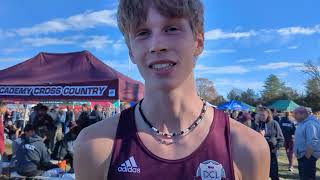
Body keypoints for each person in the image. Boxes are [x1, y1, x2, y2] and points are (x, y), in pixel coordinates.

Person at [74, 1, 270, 180]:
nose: (157, 45)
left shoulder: (247, 148)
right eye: (142, 33)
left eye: (172, 28)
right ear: (131, 51)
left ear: (198, 42)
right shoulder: (94, 144)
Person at [257, 107, 284, 180]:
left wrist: (276, 148)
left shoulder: (274, 123)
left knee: (274, 174)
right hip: (260, 153)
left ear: (268, 114)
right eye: (260, 115)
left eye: (263, 115)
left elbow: (281, 139)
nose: (261, 117)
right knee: (261, 174)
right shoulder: (258, 124)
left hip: (272, 152)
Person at [293, 106, 320, 180]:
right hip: (304, 157)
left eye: (295, 114)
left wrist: (306, 157)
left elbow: (313, 141)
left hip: (308, 157)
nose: (293, 116)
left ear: (302, 114)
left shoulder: (310, 124)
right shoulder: (303, 123)